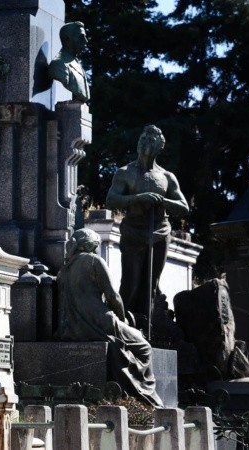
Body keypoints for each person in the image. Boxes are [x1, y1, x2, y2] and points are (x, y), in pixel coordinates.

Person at [54, 228, 163, 408]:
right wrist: (122, 319)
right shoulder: (94, 261)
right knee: (144, 347)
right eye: (96, 245)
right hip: (101, 322)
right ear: (90, 245)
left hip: (72, 328)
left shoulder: (64, 270)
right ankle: (145, 394)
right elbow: (113, 296)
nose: (97, 249)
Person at [105, 124, 189, 334]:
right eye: (142, 138)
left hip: (159, 232)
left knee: (151, 284)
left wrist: (164, 202)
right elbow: (111, 200)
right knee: (131, 282)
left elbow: (184, 207)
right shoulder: (125, 173)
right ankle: (120, 325)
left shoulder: (167, 177)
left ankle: (146, 328)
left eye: (150, 140)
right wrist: (138, 198)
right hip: (134, 231)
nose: (144, 143)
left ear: (159, 147)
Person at [48, 21, 90, 103]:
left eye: (85, 37)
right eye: (81, 37)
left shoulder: (78, 65)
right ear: (67, 39)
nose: (86, 41)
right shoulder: (58, 65)